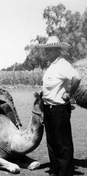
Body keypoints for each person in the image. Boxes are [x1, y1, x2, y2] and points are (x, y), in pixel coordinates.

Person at [37, 36, 81, 176]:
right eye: (46, 49)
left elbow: (77, 78)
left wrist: (69, 94)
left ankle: (65, 172)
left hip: (59, 109)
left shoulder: (63, 65)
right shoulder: (51, 66)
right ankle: (55, 171)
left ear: (58, 50)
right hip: (48, 108)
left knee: (62, 143)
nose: (47, 52)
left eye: (50, 49)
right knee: (52, 142)